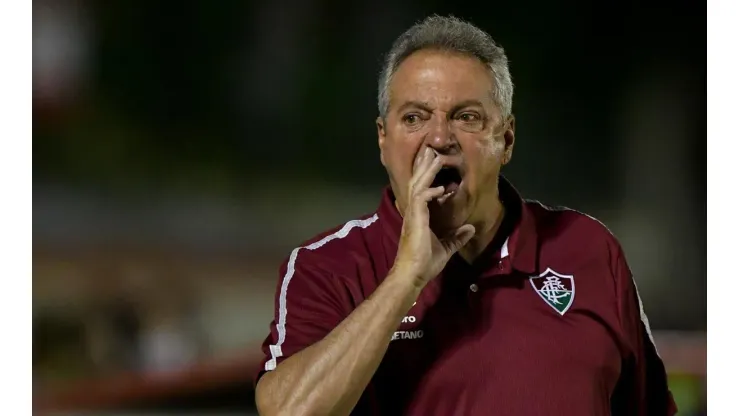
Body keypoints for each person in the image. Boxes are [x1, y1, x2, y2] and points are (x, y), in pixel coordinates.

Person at [253, 15, 677, 416]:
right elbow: (289, 410)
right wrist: (405, 278)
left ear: (506, 139)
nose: (439, 138)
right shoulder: (327, 266)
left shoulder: (587, 250)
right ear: (383, 140)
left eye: (466, 117)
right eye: (414, 117)